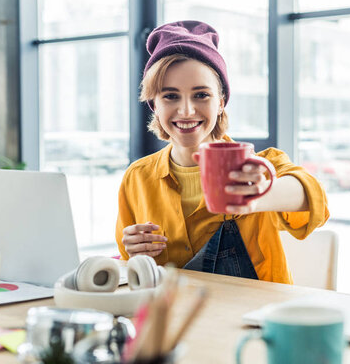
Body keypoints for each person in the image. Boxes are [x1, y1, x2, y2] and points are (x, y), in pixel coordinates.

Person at [115, 20, 329, 283]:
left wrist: (258, 195)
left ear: (221, 101)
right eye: (170, 96)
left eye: (201, 95)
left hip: (254, 316)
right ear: (154, 105)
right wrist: (134, 252)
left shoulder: (261, 165)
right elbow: (129, 268)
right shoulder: (137, 178)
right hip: (175, 319)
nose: (186, 111)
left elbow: (313, 197)